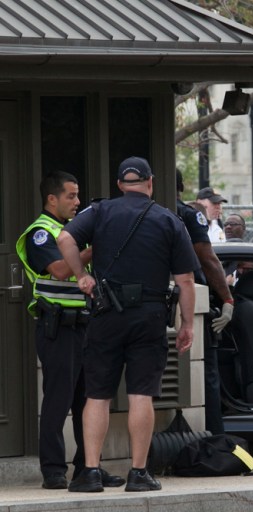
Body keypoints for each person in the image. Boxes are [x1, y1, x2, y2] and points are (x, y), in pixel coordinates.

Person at [58, 157, 198, 492]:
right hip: (149, 316)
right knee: (141, 395)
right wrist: (187, 324)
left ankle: (91, 472)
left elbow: (64, 239)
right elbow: (186, 280)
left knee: (97, 395)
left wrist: (81, 276)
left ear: (120, 185)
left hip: (106, 313)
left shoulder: (99, 211)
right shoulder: (169, 220)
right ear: (150, 182)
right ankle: (138, 473)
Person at [15, 172, 124, 490]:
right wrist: (95, 246)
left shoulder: (73, 231)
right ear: (52, 199)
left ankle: (89, 467)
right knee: (58, 400)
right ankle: (53, 470)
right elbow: (61, 270)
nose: (77, 202)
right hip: (58, 328)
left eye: (78, 196)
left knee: (89, 401)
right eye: (71, 196)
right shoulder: (41, 233)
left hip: (87, 326)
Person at [176, 171, 234, 435]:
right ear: (181, 186)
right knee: (207, 375)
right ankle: (215, 439)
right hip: (192, 303)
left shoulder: (147, 214)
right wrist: (228, 299)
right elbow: (208, 259)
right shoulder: (188, 215)